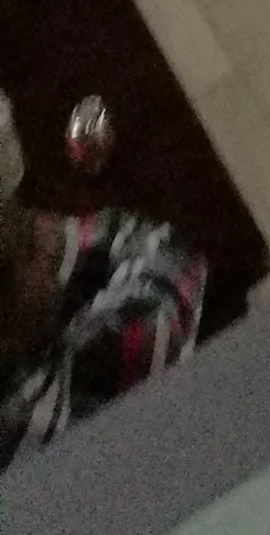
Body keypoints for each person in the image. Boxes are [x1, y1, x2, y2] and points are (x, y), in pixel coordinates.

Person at [0, 195, 206, 472]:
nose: (45, 252)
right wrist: (65, 242)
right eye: (30, 248)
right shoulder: (49, 405)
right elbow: (169, 276)